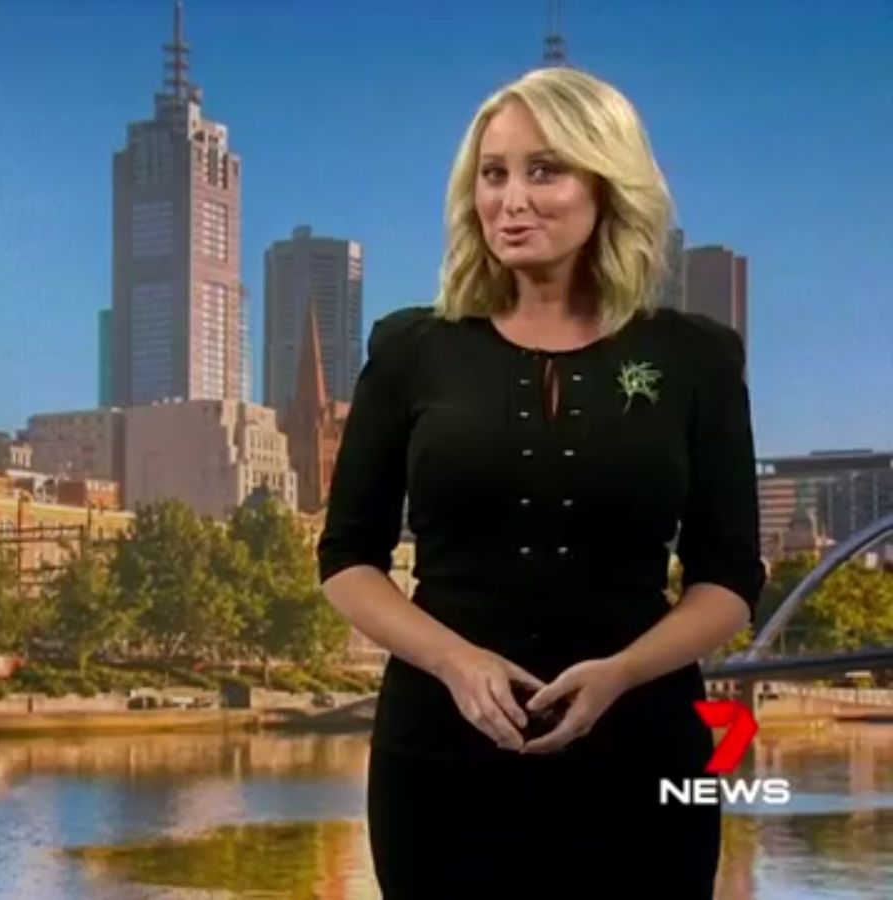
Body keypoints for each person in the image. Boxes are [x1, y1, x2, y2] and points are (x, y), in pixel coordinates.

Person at [317, 66, 765, 899]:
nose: (510, 200)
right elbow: (346, 558)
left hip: (645, 751)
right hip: (440, 759)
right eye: (493, 174)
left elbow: (731, 579)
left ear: (607, 185)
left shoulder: (697, 358)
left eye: (544, 171)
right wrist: (453, 661)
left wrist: (622, 673)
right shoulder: (411, 349)